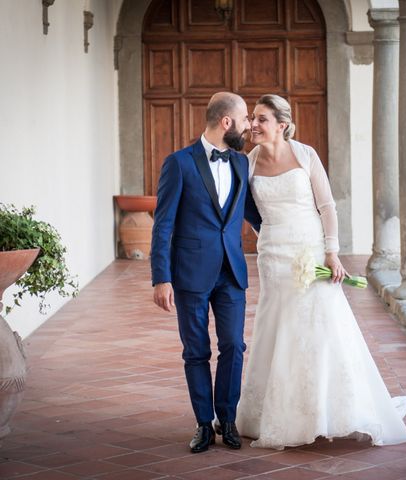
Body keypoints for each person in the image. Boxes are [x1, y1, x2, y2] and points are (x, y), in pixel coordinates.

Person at [236, 94, 406, 450]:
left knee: (322, 324)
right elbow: (250, 212)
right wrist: (266, 237)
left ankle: (331, 409)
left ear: (281, 125)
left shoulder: (305, 155)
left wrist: (332, 252)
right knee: (277, 325)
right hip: (273, 254)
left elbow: (327, 206)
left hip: (311, 248)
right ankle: (277, 411)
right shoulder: (248, 163)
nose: (253, 124)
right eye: (252, 118)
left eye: (261, 118)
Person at [150, 92, 261, 453]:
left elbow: (251, 214)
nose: (249, 126)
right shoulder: (179, 163)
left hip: (231, 271)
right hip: (190, 274)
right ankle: (202, 423)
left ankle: (226, 418)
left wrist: (293, 232)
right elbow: (163, 224)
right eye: (245, 119)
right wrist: (161, 277)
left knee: (233, 345)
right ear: (226, 122)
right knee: (195, 351)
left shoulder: (242, 163)